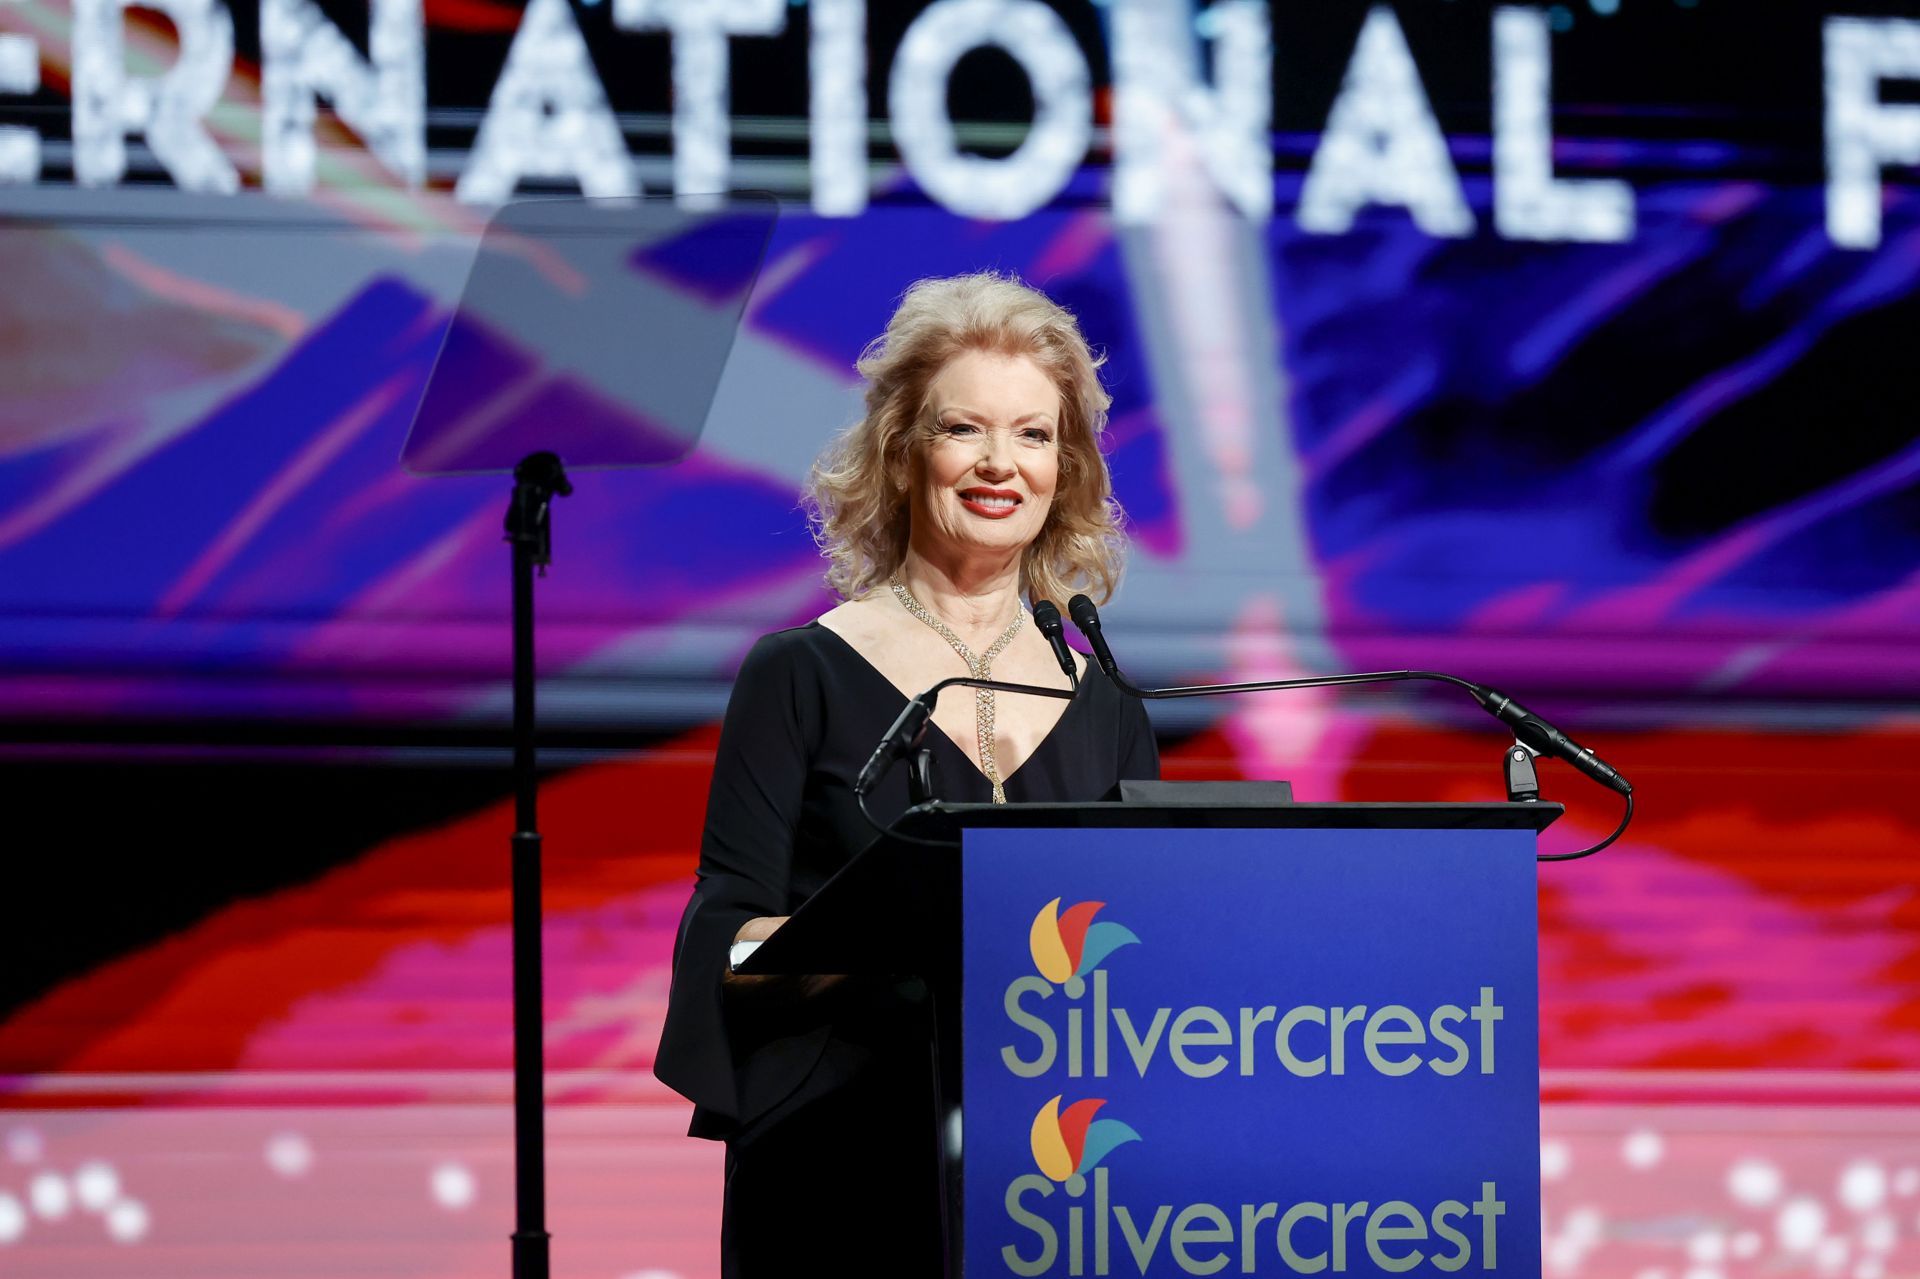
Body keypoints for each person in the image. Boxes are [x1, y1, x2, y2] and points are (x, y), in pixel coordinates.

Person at [653, 272, 1159, 1275]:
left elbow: (1144, 955)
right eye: (962, 429)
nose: (999, 464)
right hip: (838, 1160)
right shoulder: (799, 672)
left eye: (1033, 435)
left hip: (1047, 1175)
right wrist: (890, 941)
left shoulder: (1106, 701)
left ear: (1069, 466)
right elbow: (728, 943)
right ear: (900, 452)